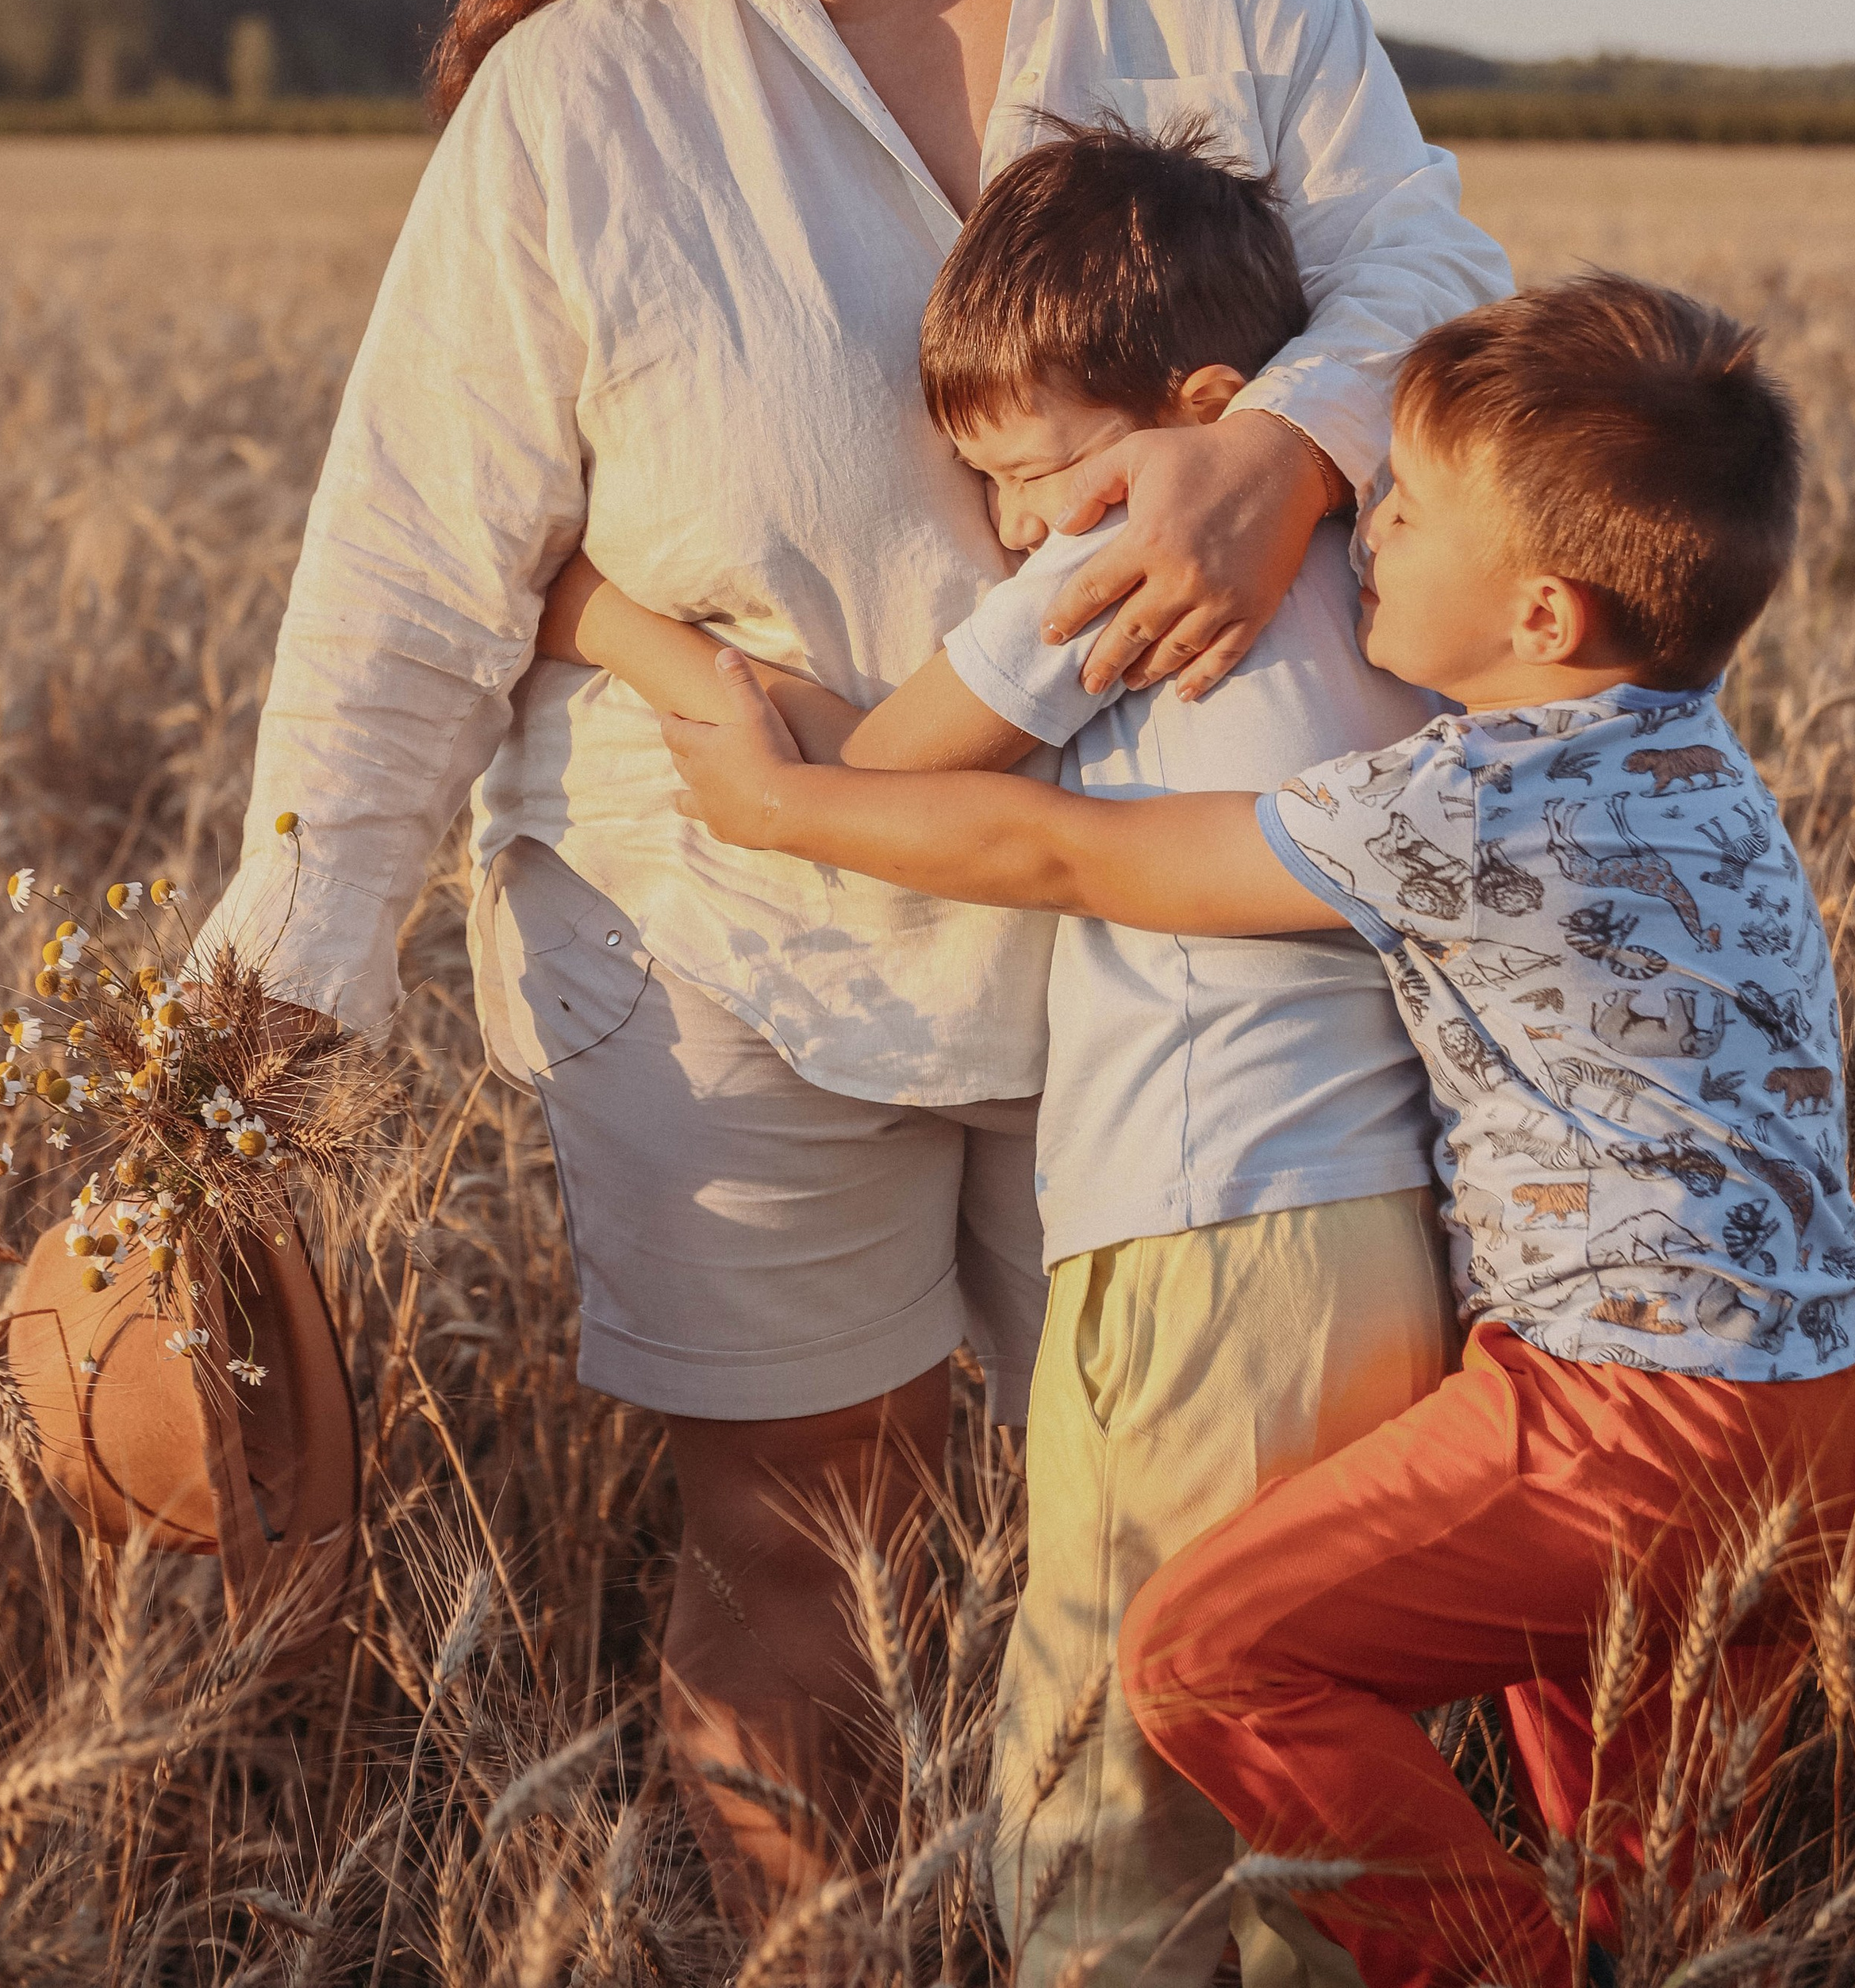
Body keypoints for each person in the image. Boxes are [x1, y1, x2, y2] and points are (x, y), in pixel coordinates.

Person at [207, 0, 1510, 1914]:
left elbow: (1430, 266)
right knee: (805, 1569)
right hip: (727, 954)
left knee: (1178, 1587)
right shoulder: (586, 99)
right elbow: (416, 558)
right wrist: (252, 1033)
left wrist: (1293, 455)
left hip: (1155, 959)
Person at [659, 274, 1855, 1988]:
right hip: (1822, 1422)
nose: (1359, 526)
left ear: (1539, 611)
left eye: (1403, 507)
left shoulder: (1469, 801)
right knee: (1661, 1898)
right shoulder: (1701, 770)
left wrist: (785, 806)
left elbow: (1074, 858)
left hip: (1621, 1422)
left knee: (1205, 1659)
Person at [540, 117, 1458, 1988]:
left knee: (1109, 1734)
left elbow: (885, 766)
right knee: (1312, 1709)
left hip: (1198, 1238)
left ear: (1204, 407)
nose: (1019, 526)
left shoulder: (1132, 557)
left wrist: (634, 644)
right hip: (1389, 1240)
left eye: (1035, 471)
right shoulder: (1380, 571)